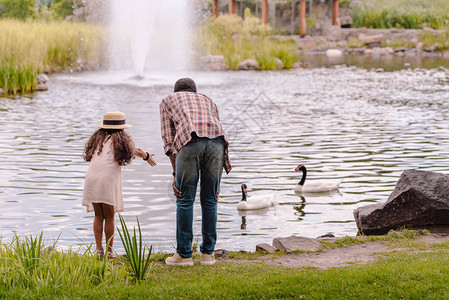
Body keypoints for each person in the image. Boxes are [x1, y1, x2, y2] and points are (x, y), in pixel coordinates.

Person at [160, 78, 231, 266]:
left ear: (177, 92)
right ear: (194, 91)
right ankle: (208, 254)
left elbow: (169, 141)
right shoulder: (208, 99)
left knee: (184, 198)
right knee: (210, 198)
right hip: (217, 143)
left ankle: (184, 255)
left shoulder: (168, 100)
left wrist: (176, 175)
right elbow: (217, 125)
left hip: (189, 141)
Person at [82, 111, 156, 258]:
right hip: (106, 180)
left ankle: (98, 251)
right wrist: (147, 156)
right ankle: (109, 253)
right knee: (109, 217)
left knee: (98, 215)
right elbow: (137, 151)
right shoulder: (121, 142)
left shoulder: (97, 140)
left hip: (91, 178)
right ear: (122, 128)